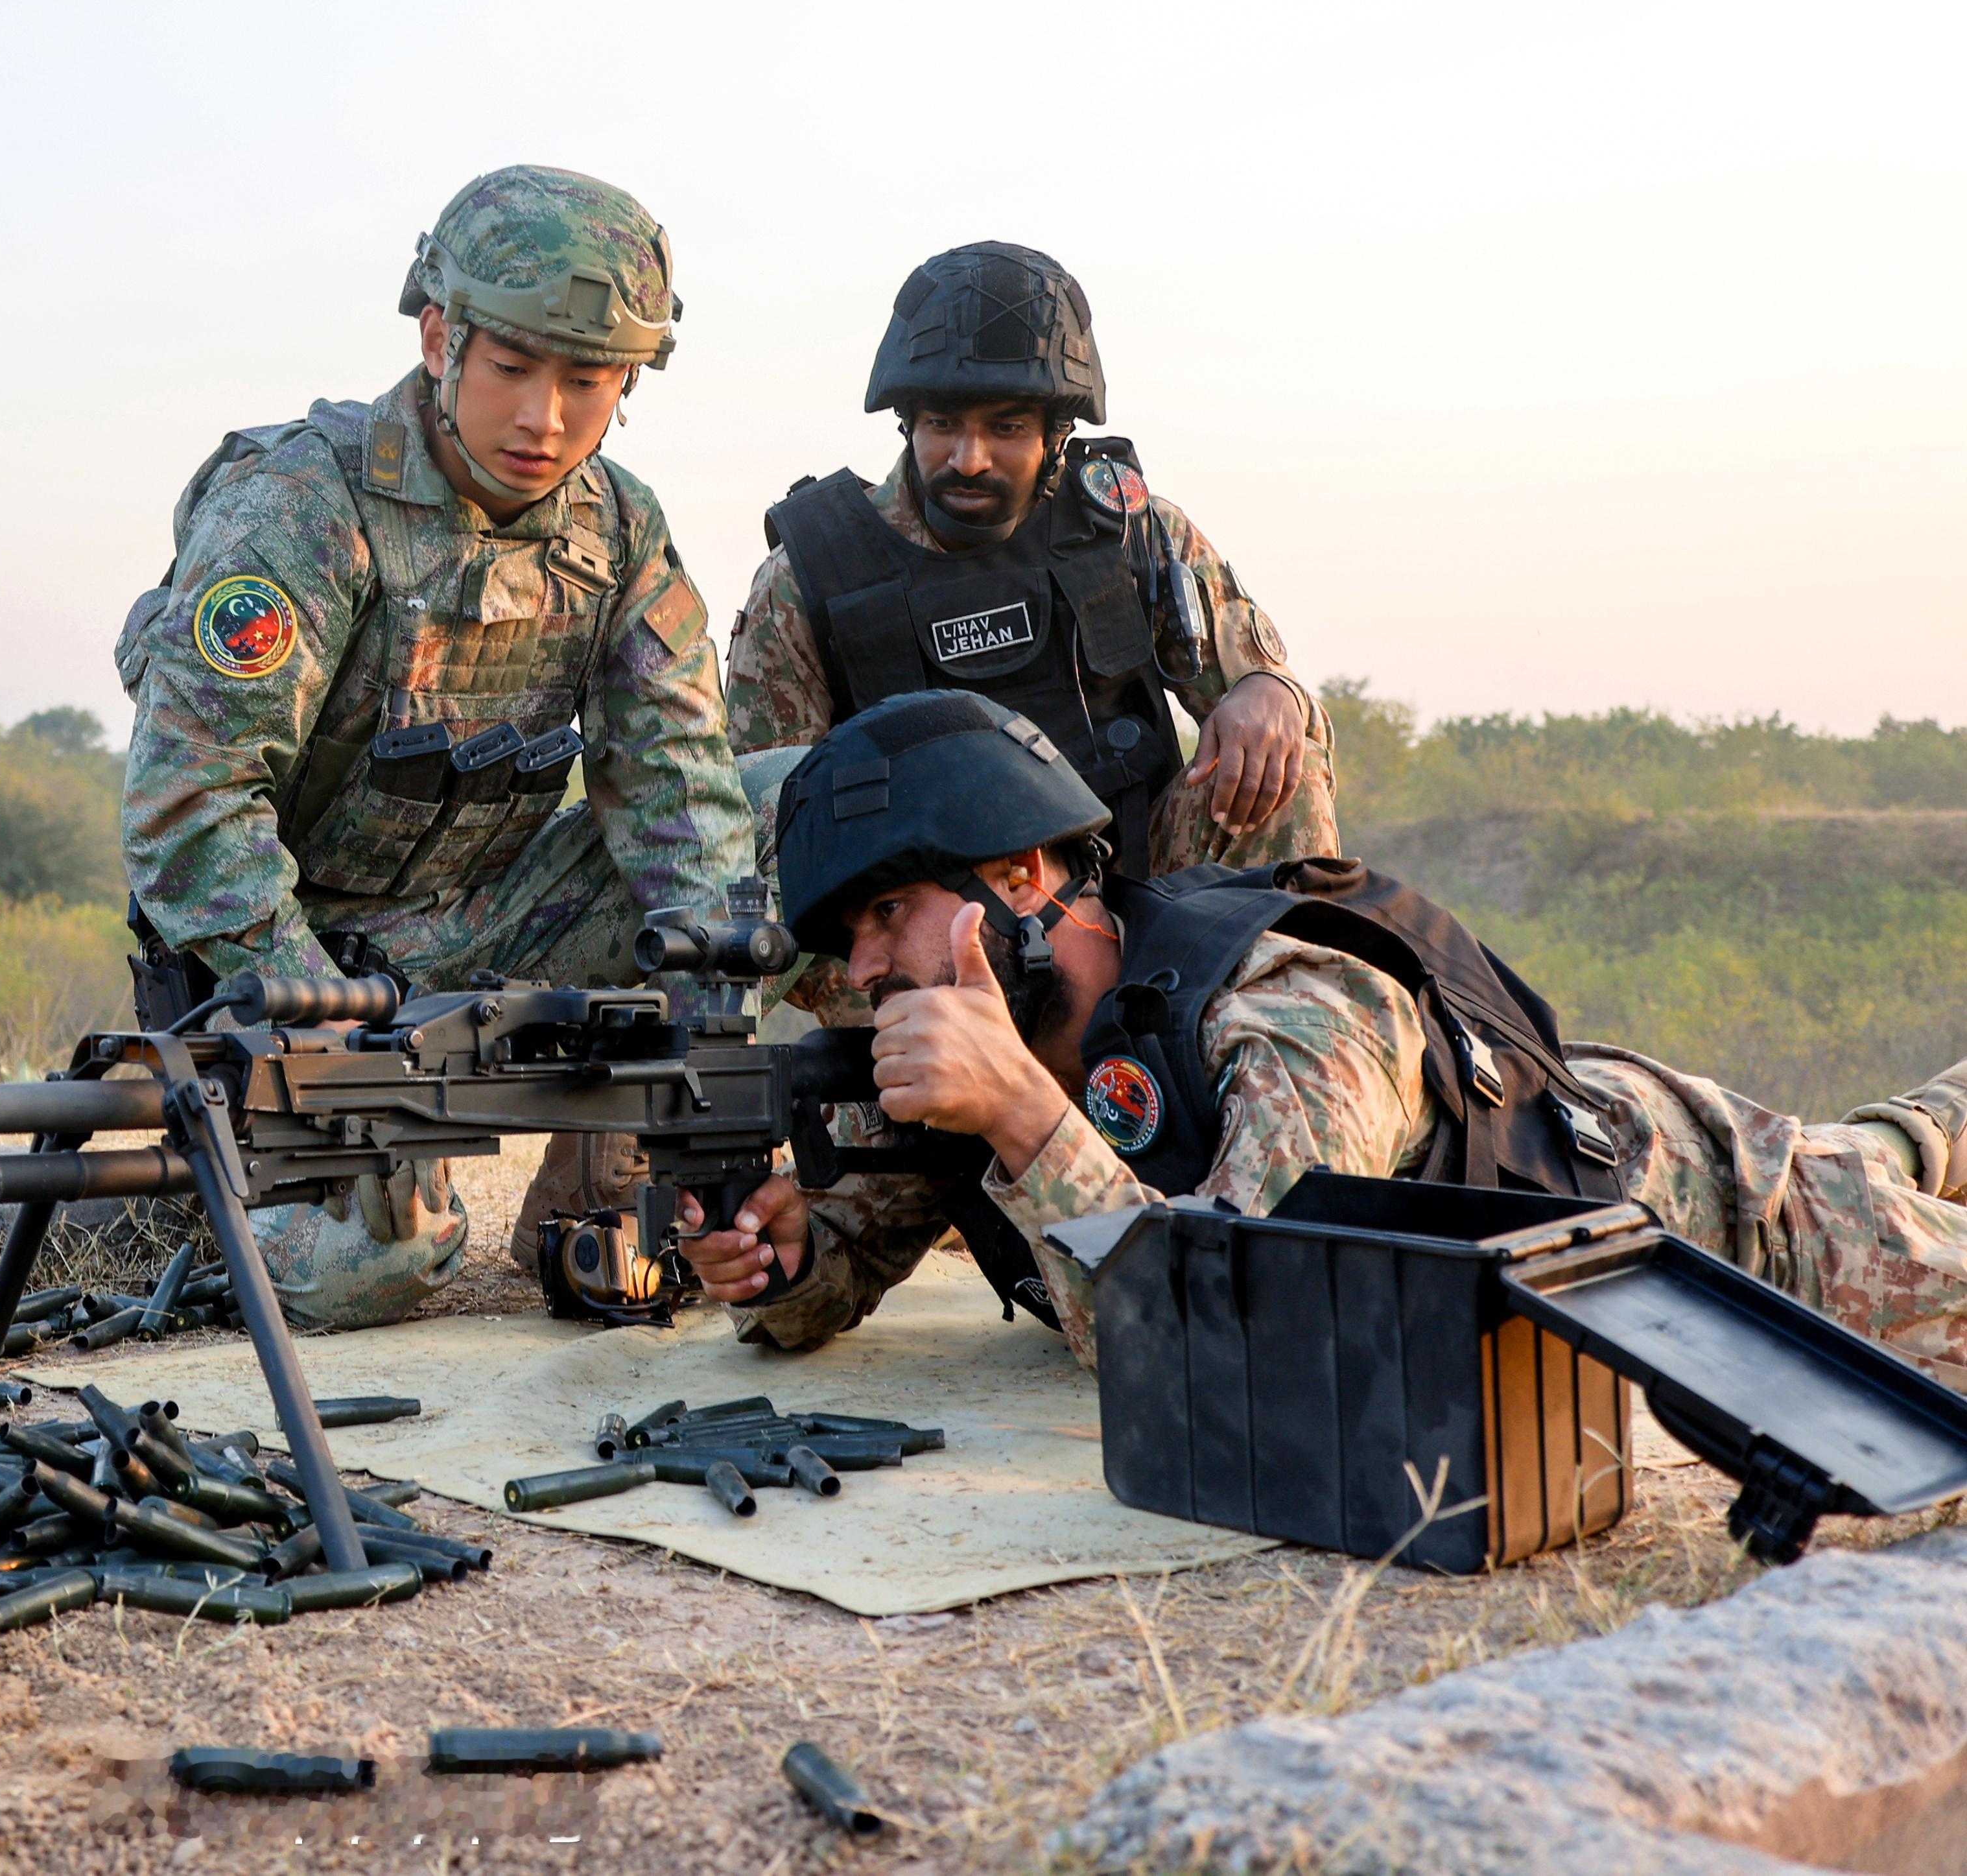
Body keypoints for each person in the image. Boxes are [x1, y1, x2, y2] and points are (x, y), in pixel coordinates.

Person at [687, 691, 1967, 1378]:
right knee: (1904, 1137)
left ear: (1022, 874)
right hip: (1667, 1190)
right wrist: (783, 1258)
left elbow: (1244, 1339)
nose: (858, 968)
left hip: (1735, 1220)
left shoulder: (1289, 1011)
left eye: (885, 913)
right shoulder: (983, 1036)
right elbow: (830, 1280)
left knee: (1865, 1173)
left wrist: (1025, 1116)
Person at [114, 164, 757, 1328]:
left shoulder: (621, 526)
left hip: (485, 919)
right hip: (288, 967)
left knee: (797, 819)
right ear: (437, 336)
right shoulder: (305, 503)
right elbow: (190, 804)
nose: (544, 418)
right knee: (383, 1266)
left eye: (588, 381)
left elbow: (681, 785)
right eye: (512, 369)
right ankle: (220, 1181)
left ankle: (620, 1179)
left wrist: (714, 1028)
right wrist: (318, 1005)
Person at [725, 241, 1335, 879]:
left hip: (1138, 895)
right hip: (918, 922)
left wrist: (1268, 692)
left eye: (1006, 428)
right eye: (942, 422)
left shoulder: (1131, 530)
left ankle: (1286, 978)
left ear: (1055, 435)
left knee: (1283, 762)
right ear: (907, 422)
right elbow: (759, 818)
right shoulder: (808, 577)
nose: (969, 458)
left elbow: (1262, 695)